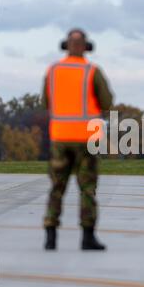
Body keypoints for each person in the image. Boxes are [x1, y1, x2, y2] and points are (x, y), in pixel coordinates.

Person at [41, 28, 113, 250]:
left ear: (65, 45)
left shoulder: (53, 70)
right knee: (87, 189)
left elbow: (46, 102)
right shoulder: (92, 71)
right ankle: (87, 236)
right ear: (86, 47)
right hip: (85, 138)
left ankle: (51, 236)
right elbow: (107, 102)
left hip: (60, 137)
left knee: (57, 187)